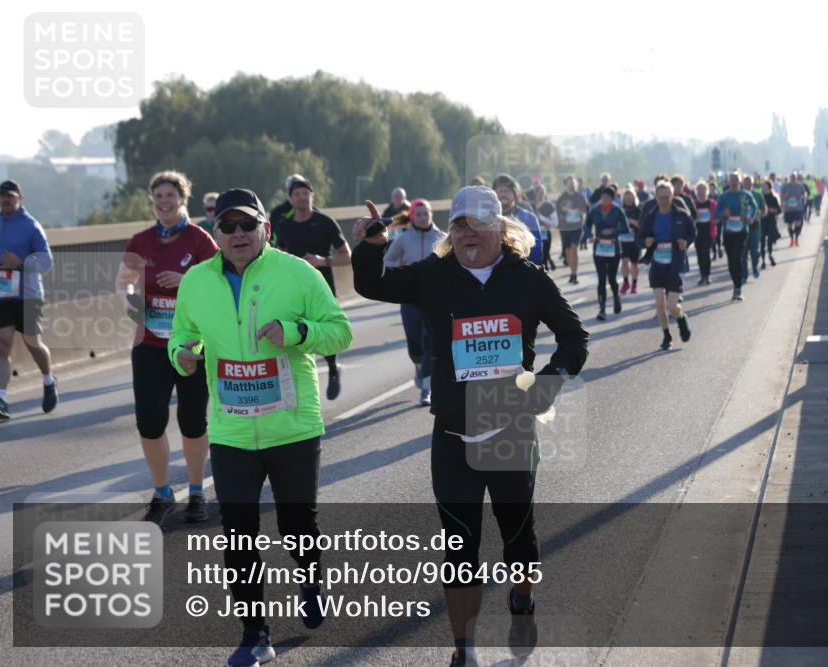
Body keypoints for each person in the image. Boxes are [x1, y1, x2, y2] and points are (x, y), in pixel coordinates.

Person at [352, 185, 588, 667]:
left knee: (518, 536)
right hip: (454, 436)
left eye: (479, 226)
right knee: (460, 547)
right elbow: (372, 285)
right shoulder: (432, 277)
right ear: (451, 232)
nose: (468, 235)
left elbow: (574, 339)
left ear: (501, 229)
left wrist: (542, 390)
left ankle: (522, 597)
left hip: (510, 431)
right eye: (459, 226)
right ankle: (465, 649)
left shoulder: (529, 279)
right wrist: (368, 249)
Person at [170, 188, 352, 667]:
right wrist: (182, 356)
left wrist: (296, 333)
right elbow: (180, 335)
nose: (238, 235)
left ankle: (311, 578)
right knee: (238, 533)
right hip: (231, 432)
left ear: (264, 230)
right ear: (216, 235)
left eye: (246, 225)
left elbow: (340, 329)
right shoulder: (196, 282)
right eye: (227, 227)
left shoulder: (298, 274)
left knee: (297, 526)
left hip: (292, 428)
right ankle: (255, 632)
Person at [115, 170, 217, 525]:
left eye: (170, 195)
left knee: (192, 421)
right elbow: (124, 281)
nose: (163, 201)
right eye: (158, 196)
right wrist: (130, 300)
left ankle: (197, 490)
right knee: (149, 421)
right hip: (150, 345)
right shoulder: (141, 241)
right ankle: (162, 493)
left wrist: (186, 280)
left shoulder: (200, 240)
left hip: (191, 343)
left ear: (183, 198)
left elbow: (220, 285)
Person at [274, 177, 351, 400]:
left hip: (322, 286)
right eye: (296, 194)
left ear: (312, 196)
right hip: (292, 288)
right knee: (296, 331)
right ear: (290, 198)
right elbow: (277, 257)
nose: (301, 197)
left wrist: (322, 260)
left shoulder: (325, 222)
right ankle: (298, 384)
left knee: (323, 331)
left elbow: (346, 256)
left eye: (305, 193)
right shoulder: (284, 225)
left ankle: (333, 367)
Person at [0, 179, 56, 420]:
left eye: (10, 195)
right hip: (0, 295)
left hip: (28, 297)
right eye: (2, 195)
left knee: (33, 344)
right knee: (1, 346)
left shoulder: (32, 227)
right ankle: (1, 398)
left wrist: (21, 263)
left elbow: (47, 263)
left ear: (20, 198)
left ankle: (49, 381)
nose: (6, 199)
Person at [384, 198, 446, 405]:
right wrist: (400, 267)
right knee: (415, 344)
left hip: (434, 299)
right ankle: (418, 366)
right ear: (412, 217)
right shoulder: (402, 239)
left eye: (425, 213)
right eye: (418, 214)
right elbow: (388, 260)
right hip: (409, 298)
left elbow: (451, 264)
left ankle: (426, 390)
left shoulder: (442, 238)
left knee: (430, 344)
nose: (422, 217)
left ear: (431, 215)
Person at [637, 180, 694, 350]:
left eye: (667, 197)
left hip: (675, 265)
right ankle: (666, 335)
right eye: (661, 197)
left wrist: (686, 241)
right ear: (656, 197)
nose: (664, 200)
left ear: (672, 196)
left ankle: (681, 318)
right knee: (659, 304)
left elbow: (693, 233)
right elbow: (639, 239)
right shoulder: (650, 217)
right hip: (657, 265)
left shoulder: (681, 215)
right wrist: (645, 242)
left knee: (671, 306)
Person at [584, 185, 630, 321]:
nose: (604, 199)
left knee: (612, 278)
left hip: (614, 249)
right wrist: (590, 235)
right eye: (603, 197)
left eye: (607, 197)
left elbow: (626, 229)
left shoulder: (617, 210)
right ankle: (602, 309)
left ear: (612, 198)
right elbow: (586, 225)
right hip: (599, 249)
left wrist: (613, 231)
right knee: (601, 279)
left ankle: (616, 297)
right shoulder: (595, 210)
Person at [716, 171, 759, 301]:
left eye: (736, 179)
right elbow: (716, 214)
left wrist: (749, 217)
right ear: (728, 181)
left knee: (738, 257)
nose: (734, 182)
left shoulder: (746, 195)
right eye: (732, 179)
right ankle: (736, 284)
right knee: (731, 262)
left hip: (741, 231)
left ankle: (738, 289)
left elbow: (754, 208)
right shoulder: (723, 196)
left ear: (740, 182)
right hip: (728, 231)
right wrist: (724, 214)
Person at [492, 173, 543, 267]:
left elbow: (537, 253)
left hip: (522, 270)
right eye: (500, 191)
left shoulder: (529, 218)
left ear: (515, 194)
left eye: (507, 191)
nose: (503, 194)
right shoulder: (487, 219)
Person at [556, 176, 589, 284]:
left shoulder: (580, 196)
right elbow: (558, 212)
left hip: (577, 227)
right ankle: (571, 272)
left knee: (574, 248)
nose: (571, 185)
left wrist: (580, 213)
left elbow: (585, 210)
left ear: (576, 185)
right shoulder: (562, 198)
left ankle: (575, 274)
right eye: (569, 183)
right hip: (565, 228)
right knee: (568, 251)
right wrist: (564, 213)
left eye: (573, 184)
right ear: (566, 185)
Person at [741, 175, 767, 281]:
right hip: (742, 227)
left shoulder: (758, 195)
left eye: (749, 183)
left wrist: (756, 217)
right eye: (746, 183)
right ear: (743, 183)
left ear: (752, 184)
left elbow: (763, 210)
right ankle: (744, 274)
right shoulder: (739, 195)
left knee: (754, 251)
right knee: (743, 252)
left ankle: (755, 266)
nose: (748, 185)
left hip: (755, 226)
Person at [693, 180, 717, 285]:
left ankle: (707, 275)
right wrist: (695, 217)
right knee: (699, 254)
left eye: (703, 189)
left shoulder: (711, 203)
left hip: (708, 230)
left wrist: (715, 220)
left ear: (706, 190)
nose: (701, 191)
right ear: (696, 190)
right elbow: (690, 218)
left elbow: (717, 216)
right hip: (697, 231)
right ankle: (702, 275)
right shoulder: (693, 204)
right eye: (699, 189)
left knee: (706, 253)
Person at [619, 188, 641, 294]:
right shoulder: (619, 210)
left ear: (634, 198)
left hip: (635, 241)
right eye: (626, 198)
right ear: (623, 199)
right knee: (624, 262)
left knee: (634, 264)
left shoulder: (638, 210)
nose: (628, 200)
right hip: (623, 241)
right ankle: (626, 282)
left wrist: (632, 221)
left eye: (630, 198)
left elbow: (642, 225)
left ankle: (634, 284)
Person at [532, 184, 558, 271]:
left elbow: (555, 222)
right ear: (535, 193)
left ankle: (545, 271)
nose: (539, 194)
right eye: (537, 192)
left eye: (541, 192)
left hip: (545, 232)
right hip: (532, 233)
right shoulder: (531, 206)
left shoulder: (549, 206)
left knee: (545, 255)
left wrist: (543, 219)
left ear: (544, 193)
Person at [780, 172, 807, 247]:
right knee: (789, 225)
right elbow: (781, 195)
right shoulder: (785, 186)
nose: (793, 179)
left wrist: (801, 197)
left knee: (798, 223)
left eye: (794, 178)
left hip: (798, 208)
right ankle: (791, 239)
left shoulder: (800, 185)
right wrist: (785, 198)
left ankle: (796, 238)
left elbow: (804, 194)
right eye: (792, 178)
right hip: (788, 209)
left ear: (796, 178)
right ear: (790, 178)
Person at [759, 179, 781, 269]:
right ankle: (763, 260)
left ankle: (770, 256)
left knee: (770, 241)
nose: (763, 187)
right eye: (762, 186)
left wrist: (773, 210)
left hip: (771, 221)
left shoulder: (773, 198)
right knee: (762, 241)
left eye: (765, 186)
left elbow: (779, 210)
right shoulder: (760, 197)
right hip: (762, 221)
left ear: (769, 187)